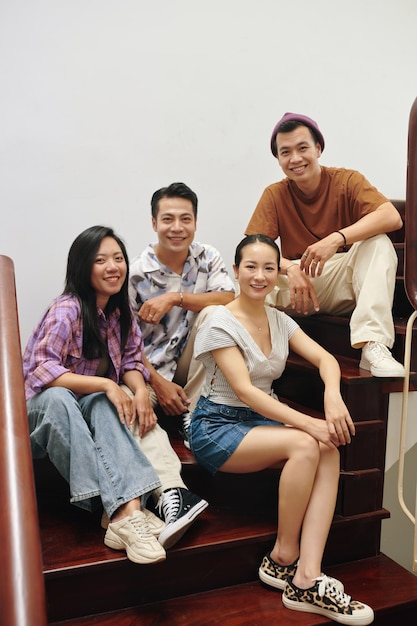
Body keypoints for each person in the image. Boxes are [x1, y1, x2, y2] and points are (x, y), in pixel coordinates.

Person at [189, 234, 374, 624]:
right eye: (250, 267)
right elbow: (244, 391)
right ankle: (282, 559)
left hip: (261, 422)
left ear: (278, 274)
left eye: (269, 268)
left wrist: (332, 397)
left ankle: (307, 575)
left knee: (329, 450)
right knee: (309, 445)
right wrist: (310, 424)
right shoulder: (219, 322)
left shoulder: (279, 319)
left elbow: (325, 359)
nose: (259, 276)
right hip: (217, 425)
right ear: (236, 272)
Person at [23, 225, 169, 565]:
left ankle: (128, 513)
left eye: (118, 258)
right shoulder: (67, 309)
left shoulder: (121, 312)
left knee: (106, 401)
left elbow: (132, 361)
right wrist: (106, 383)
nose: (113, 267)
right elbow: (41, 372)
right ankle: (119, 509)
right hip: (37, 417)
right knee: (69, 397)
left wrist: (140, 392)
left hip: (81, 409)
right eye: (101, 260)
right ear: (83, 267)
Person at [245, 112, 405, 378]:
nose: (295, 159)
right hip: (299, 284)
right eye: (285, 152)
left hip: (341, 280)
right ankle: (253, 364)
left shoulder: (347, 180)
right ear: (278, 159)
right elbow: (253, 245)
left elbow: (390, 217)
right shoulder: (275, 194)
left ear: (318, 149)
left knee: (377, 242)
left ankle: (373, 345)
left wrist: (337, 238)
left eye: (302, 148)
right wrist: (289, 270)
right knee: (248, 275)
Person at [129, 181, 235, 452]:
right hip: (150, 369)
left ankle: (196, 415)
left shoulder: (207, 257)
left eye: (185, 219)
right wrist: (158, 383)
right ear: (154, 223)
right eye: (168, 219)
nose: (177, 227)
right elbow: (124, 341)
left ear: (196, 222)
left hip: (192, 362)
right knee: (128, 421)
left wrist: (175, 298)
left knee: (215, 313)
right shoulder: (135, 273)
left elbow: (227, 297)